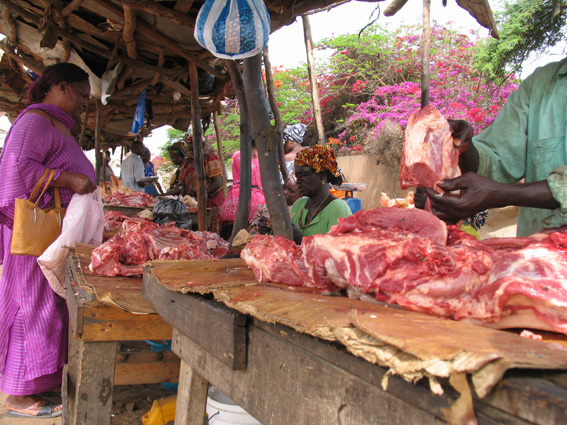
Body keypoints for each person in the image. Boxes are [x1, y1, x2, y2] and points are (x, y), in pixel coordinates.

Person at [0, 63, 97, 418]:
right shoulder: (35, 122)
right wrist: (68, 179)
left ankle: (40, 381)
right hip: (33, 239)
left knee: (49, 309)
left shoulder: (56, 124)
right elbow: (15, 168)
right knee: (31, 307)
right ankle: (18, 397)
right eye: (82, 95)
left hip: (53, 237)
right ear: (58, 86)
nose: (86, 103)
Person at [423, 59, 566, 237]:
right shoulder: (541, 83)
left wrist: (502, 194)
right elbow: (498, 158)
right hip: (534, 258)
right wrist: (463, 147)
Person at [289, 145, 352, 244]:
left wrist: (302, 240)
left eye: (305, 175)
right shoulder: (298, 205)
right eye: (297, 176)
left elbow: (339, 252)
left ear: (322, 176)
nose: (298, 181)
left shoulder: (338, 209)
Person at [220, 140, 266, 240]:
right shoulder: (264, 157)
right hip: (256, 202)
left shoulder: (236, 155)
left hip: (232, 201)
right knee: (247, 241)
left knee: (227, 241)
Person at [179, 135, 225, 232]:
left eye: (194, 149)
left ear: (202, 147)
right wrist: (185, 200)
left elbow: (217, 182)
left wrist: (202, 194)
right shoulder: (186, 164)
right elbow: (183, 185)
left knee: (211, 230)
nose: (192, 152)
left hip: (211, 201)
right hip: (193, 204)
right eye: (190, 150)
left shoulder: (210, 159)